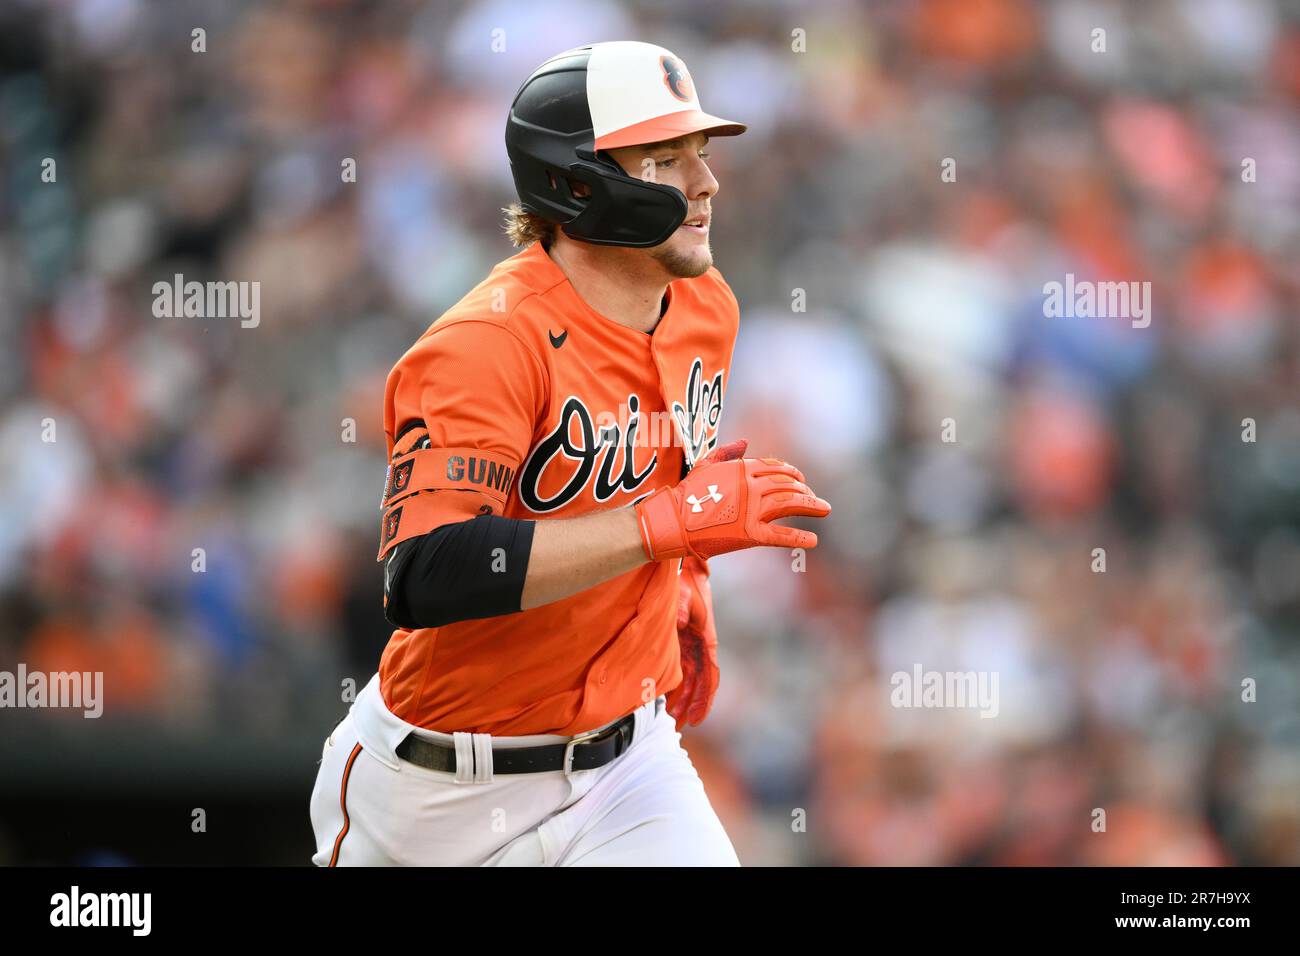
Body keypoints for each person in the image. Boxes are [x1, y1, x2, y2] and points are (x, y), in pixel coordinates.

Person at [309, 40, 831, 866]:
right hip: (440, 789)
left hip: (628, 766)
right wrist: (666, 528)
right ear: (578, 184)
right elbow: (425, 573)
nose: (705, 184)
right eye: (666, 158)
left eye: (700, 154)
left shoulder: (706, 305)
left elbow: (658, 479)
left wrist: (681, 579)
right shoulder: (487, 342)